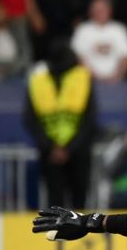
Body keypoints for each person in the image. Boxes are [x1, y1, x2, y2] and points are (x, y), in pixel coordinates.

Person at [23, 40, 97, 209]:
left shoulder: (37, 81)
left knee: (58, 202)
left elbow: (30, 120)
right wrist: (64, 149)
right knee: (74, 202)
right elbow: (90, 119)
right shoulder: (82, 78)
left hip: (59, 152)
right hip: (68, 152)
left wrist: (55, 148)